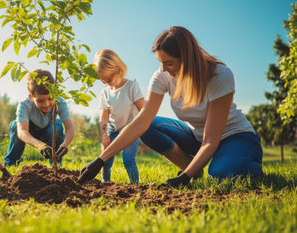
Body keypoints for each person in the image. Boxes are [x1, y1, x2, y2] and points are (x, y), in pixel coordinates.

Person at [78, 26, 263, 187]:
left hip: (234, 137)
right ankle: (194, 170)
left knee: (220, 176)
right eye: (160, 62)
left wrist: (183, 178)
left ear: (188, 58)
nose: (163, 69)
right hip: (198, 137)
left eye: (169, 63)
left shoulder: (219, 76)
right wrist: (99, 161)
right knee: (148, 126)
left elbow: (211, 141)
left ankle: (249, 161)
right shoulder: (163, 75)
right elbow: (140, 122)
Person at [3, 69, 74, 166]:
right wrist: (40, 145)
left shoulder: (60, 102)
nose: (46, 104)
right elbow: (22, 132)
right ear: (31, 97)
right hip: (30, 131)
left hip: (48, 130)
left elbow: (70, 128)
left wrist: (65, 145)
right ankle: (10, 164)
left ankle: (56, 164)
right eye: (40, 101)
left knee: (56, 126)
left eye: (50, 98)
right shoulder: (25, 104)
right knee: (16, 126)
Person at [94, 49, 144, 184]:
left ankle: (135, 186)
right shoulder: (105, 93)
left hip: (131, 131)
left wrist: (143, 132)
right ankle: (105, 184)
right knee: (106, 159)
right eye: (103, 80)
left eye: (108, 79)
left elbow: (144, 110)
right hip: (113, 130)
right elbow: (104, 116)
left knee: (128, 159)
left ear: (117, 70)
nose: (106, 82)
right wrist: (104, 134)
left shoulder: (131, 87)